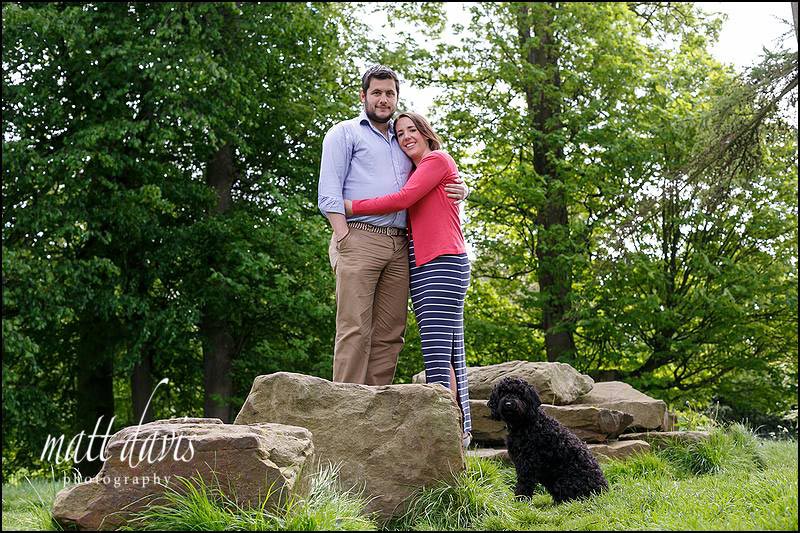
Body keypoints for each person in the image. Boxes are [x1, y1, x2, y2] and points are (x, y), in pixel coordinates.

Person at [317, 65, 468, 387]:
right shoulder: (344, 133)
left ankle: (376, 408)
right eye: (377, 93)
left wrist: (464, 188)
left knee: (390, 332)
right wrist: (344, 236)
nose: (383, 100)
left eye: (390, 93)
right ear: (363, 96)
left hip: (401, 246)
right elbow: (328, 193)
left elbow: (428, 179)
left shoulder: (403, 141)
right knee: (355, 327)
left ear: (396, 97)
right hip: (360, 238)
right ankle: (346, 409)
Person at [344, 112, 472, 447]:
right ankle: (460, 432)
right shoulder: (423, 170)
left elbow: (401, 200)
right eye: (399, 134)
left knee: (436, 355)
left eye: (412, 130)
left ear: (426, 132)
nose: (405, 137)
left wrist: (349, 206)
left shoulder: (436, 159)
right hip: (426, 264)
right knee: (448, 352)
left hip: (443, 263)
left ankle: (447, 437)